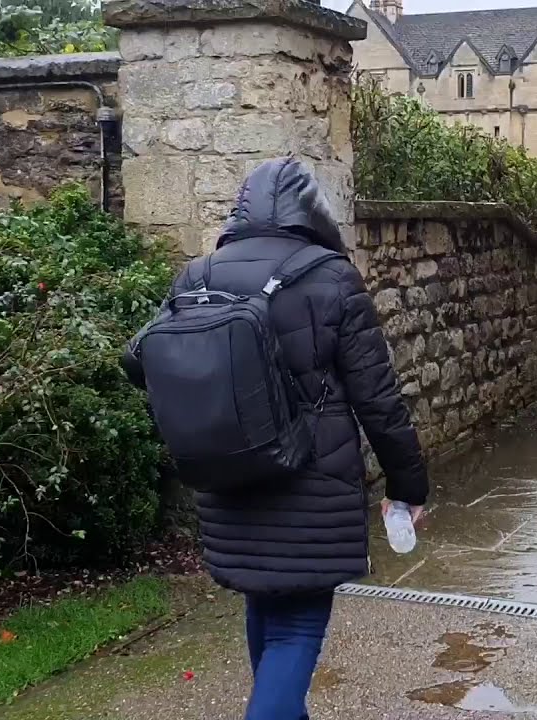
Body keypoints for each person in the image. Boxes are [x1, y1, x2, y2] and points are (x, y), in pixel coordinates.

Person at [124, 158, 429, 720]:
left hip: (227, 478)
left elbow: (141, 359)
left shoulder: (198, 275)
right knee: (294, 631)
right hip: (312, 487)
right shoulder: (333, 277)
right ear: (310, 210)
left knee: (266, 605)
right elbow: (379, 403)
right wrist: (408, 487)